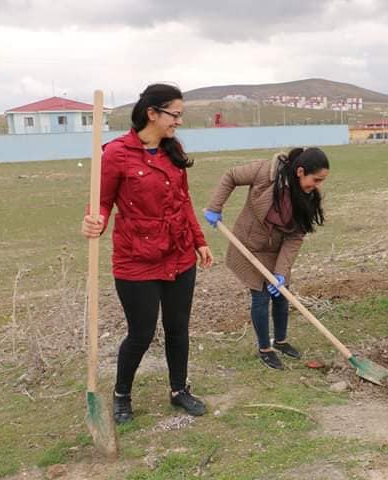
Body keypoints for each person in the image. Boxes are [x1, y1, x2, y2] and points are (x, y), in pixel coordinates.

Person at [81, 84, 213, 424]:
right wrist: (95, 219)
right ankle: (121, 394)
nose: (179, 122)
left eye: (181, 115)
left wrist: (199, 241)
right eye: (175, 114)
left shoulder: (173, 150)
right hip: (136, 258)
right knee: (141, 332)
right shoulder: (117, 153)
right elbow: (103, 200)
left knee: (178, 328)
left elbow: (183, 200)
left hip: (179, 253)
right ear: (152, 113)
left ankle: (179, 390)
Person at [203, 147, 330, 370]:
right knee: (261, 297)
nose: (317, 186)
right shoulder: (265, 172)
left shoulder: (307, 199)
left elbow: (295, 237)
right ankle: (265, 349)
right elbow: (231, 176)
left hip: (276, 251)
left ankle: (280, 341)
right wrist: (215, 207)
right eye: (316, 179)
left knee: (282, 294)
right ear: (300, 171)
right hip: (248, 246)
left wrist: (280, 272)